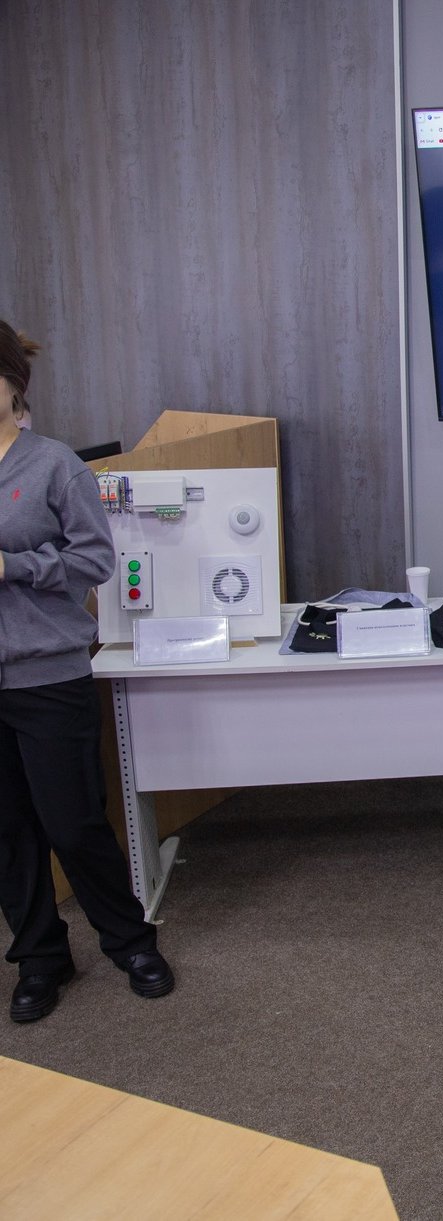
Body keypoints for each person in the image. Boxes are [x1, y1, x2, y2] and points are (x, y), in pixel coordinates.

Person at [0, 319, 174, 1022]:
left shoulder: (52, 465)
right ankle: (40, 957)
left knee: (72, 825)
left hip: (47, 673)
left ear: (15, 384)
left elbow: (94, 560)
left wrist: (13, 566)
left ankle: (130, 942)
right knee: (8, 833)